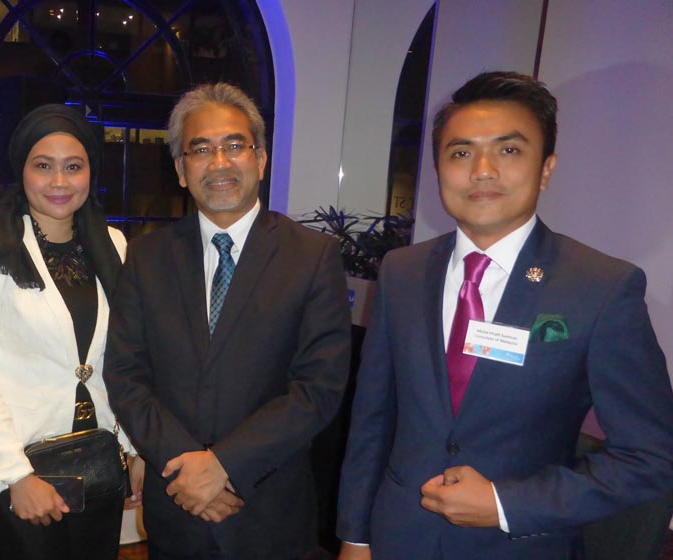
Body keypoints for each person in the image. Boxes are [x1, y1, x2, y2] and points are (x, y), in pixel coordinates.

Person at [335, 71, 673, 560]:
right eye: (461, 152)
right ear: (438, 169)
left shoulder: (601, 288)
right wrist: (355, 536)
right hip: (398, 537)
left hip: (517, 546)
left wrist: (504, 503)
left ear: (546, 168)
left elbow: (651, 457)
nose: (483, 170)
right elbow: (372, 418)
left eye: (509, 150)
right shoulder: (401, 271)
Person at [104, 82, 352, 559]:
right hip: (177, 505)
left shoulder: (312, 256)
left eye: (235, 146)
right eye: (201, 149)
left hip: (269, 509)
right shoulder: (146, 257)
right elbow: (126, 375)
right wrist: (186, 469)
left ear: (260, 159)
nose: (219, 163)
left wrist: (224, 465)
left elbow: (318, 388)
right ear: (181, 170)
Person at [0, 104, 144, 560]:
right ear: (21, 170)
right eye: (43, 166)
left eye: (73, 167)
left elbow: (127, 356)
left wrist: (136, 450)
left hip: (100, 457)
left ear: (90, 173)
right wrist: (16, 475)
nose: (59, 181)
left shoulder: (114, 244)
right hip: (25, 465)